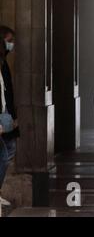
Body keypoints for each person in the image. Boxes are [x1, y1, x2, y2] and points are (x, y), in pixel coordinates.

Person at [0, 26, 19, 208]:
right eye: (9, 40)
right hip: (2, 115)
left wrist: (12, 115)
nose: (12, 44)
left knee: (9, 150)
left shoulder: (4, 63)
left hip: (5, 114)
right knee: (5, 154)